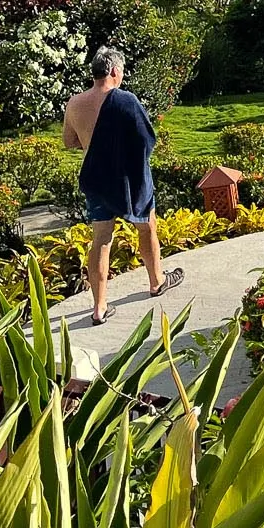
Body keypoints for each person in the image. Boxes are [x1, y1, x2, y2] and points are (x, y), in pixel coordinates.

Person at [63, 45, 183, 326]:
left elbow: (69, 142)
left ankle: (99, 308)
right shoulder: (126, 100)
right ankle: (157, 281)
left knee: (101, 240)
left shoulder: (75, 103)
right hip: (129, 181)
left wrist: (94, 144)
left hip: (96, 179)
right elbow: (146, 139)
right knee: (147, 226)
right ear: (115, 71)